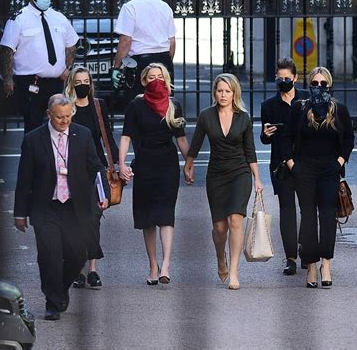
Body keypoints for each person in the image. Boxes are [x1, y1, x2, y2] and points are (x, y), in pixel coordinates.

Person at [13, 94, 109, 320]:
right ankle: (53, 302)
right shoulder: (33, 139)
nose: (64, 121)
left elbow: (96, 167)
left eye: (68, 116)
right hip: (45, 206)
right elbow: (24, 178)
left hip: (75, 206)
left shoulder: (83, 135)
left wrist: (102, 193)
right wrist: (19, 214)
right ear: (49, 115)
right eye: (59, 118)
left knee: (77, 255)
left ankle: (60, 288)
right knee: (50, 255)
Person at [184, 73, 263, 290]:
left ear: (234, 93)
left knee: (235, 220)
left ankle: (235, 272)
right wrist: (188, 164)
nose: (223, 95)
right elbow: (197, 142)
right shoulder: (206, 116)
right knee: (219, 228)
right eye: (219, 91)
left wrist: (257, 178)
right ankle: (221, 257)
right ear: (214, 93)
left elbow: (250, 150)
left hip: (240, 173)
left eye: (227, 91)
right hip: (217, 174)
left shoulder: (243, 117)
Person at [283, 66, 354, 288]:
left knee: (327, 215)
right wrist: (293, 164)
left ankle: (326, 264)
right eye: (315, 84)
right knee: (308, 217)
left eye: (323, 84)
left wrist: (339, 162)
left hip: (329, 170)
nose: (319, 88)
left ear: (329, 85)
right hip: (304, 169)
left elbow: (349, 139)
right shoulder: (299, 108)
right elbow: (286, 138)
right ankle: (311, 266)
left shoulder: (339, 109)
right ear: (309, 85)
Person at [119, 63, 189, 285]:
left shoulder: (173, 105)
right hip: (144, 163)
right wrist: (121, 164)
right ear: (143, 81)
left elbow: (181, 138)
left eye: (160, 76)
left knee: (166, 213)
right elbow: (126, 136)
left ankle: (166, 265)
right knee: (147, 218)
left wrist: (190, 162)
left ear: (166, 79)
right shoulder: (136, 106)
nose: (156, 80)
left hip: (167, 164)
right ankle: (152, 264)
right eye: (151, 77)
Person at [63, 66, 119, 289]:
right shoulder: (66, 108)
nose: (82, 85)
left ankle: (92, 270)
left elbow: (107, 136)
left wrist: (118, 165)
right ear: (71, 85)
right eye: (78, 82)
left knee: (93, 220)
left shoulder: (98, 106)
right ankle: (77, 270)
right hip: (71, 172)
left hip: (96, 170)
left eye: (85, 81)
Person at [0, 0, 78, 133]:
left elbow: (71, 44)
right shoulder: (19, 19)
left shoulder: (59, 17)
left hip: (56, 82)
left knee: (59, 125)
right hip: (30, 82)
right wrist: (8, 78)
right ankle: (31, 157)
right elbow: (6, 49)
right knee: (33, 127)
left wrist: (68, 68)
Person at [260, 58, 309, 275]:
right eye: (279, 78)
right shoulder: (268, 106)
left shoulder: (307, 99)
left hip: (306, 162)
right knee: (287, 210)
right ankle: (290, 257)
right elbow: (265, 139)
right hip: (281, 165)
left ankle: (306, 249)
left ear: (296, 78)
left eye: (287, 78)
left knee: (308, 209)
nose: (283, 81)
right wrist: (265, 134)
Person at [112, 0, 177, 100]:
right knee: (163, 101)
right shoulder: (165, 7)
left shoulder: (130, 7)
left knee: (138, 102)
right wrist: (168, 61)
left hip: (139, 62)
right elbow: (172, 41)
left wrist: (117, 67)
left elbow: (125, 40)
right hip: (163, 60)